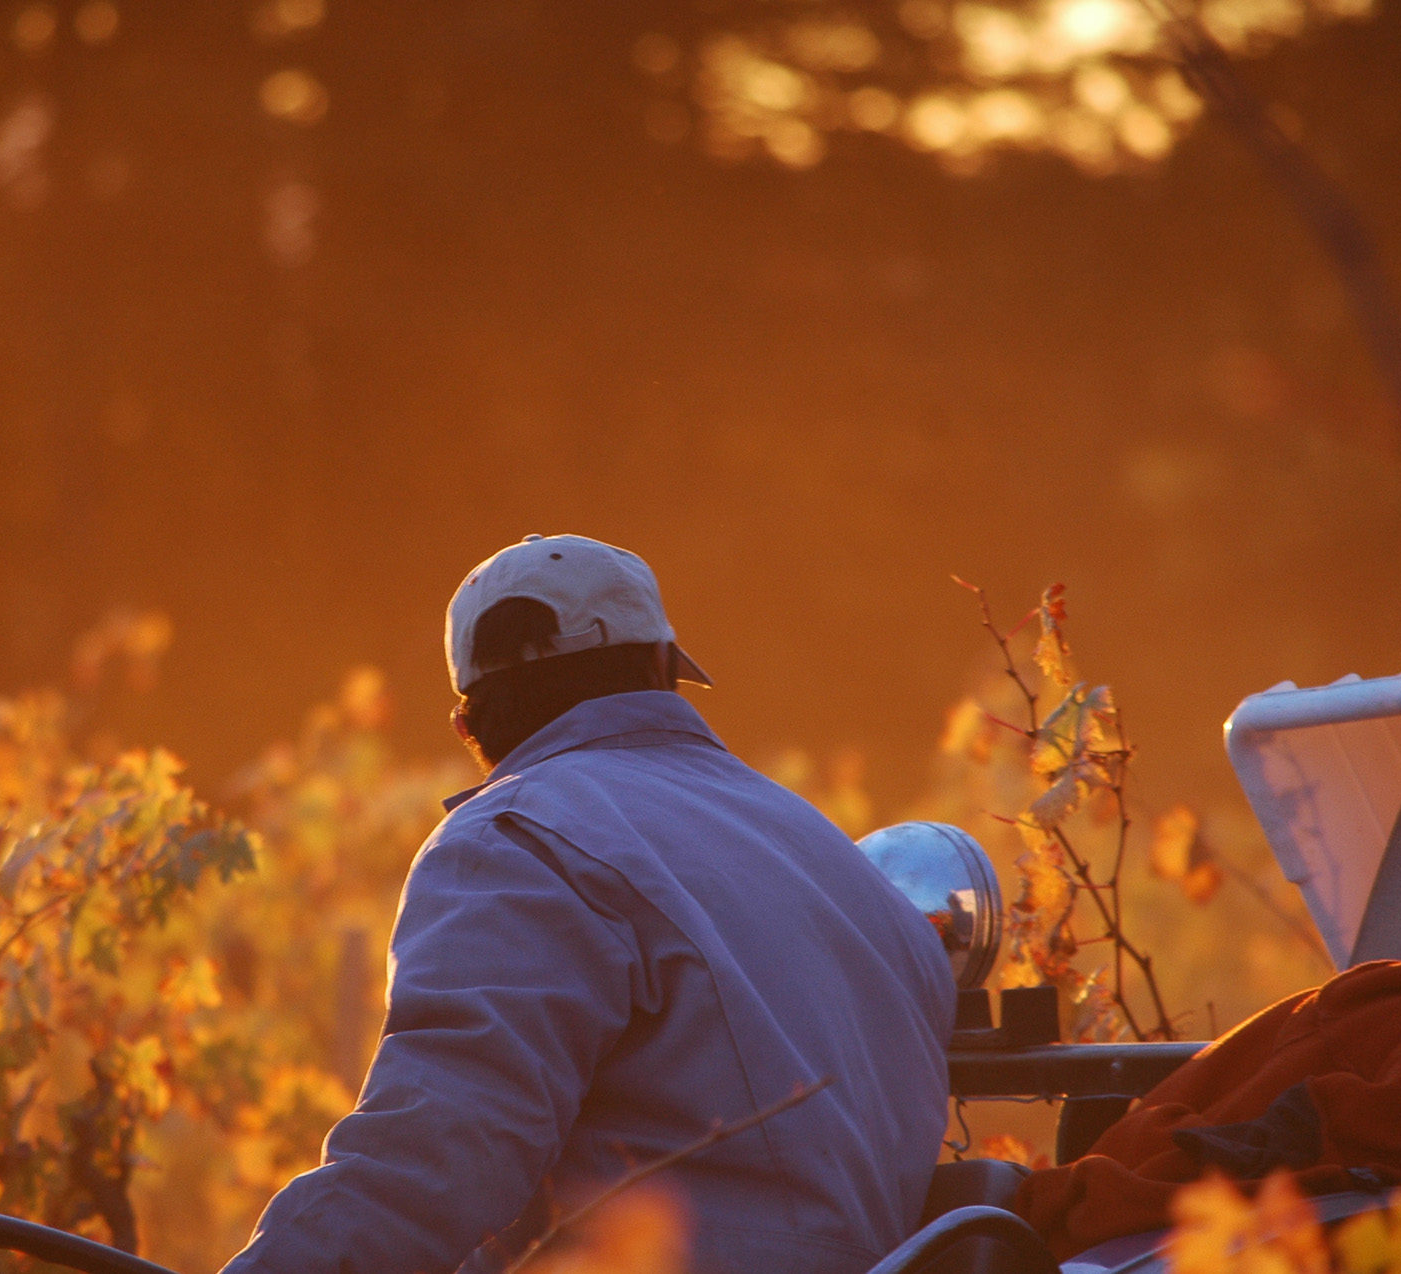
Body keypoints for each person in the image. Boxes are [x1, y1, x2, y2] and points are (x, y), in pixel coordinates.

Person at [221, 534, 956, 1274]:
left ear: (468, 728)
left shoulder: (514, 839)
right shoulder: (840, 862)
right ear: (663, 672)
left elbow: (437, 1159)